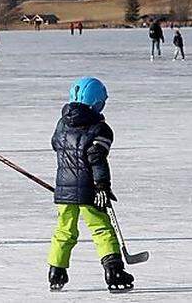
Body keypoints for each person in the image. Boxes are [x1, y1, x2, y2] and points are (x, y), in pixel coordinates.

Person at [46, 78, 134, 293]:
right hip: (89, 190)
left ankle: (56, 270)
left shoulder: (61, 123)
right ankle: (114, 271)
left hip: (63, 189)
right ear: (97, 102)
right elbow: (96, 157)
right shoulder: (101, 129)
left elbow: (55, 144)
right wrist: (102, 185)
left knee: (64, 230)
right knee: (101, 228)